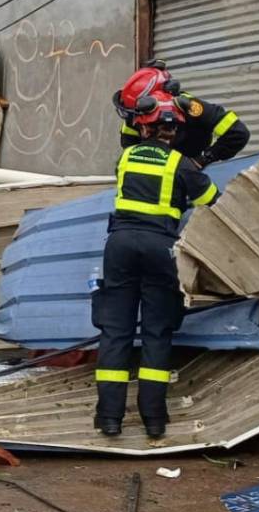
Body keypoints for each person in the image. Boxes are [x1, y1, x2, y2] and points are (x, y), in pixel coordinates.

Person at [95, 86, 220, 440]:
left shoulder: (126, 159)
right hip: (160, 250)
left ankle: (109, 419)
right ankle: (154, 421)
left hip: (118, 247)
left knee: (115, 332)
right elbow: (212, 200)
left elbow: (128, 137)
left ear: (143, 127)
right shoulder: (179, 164)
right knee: (156, 333)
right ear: (174, 131)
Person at [116, 62, 250, 167]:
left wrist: (203, 159)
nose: (136, 121)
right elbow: (129, 148)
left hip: (191, 175)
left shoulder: (191, 108)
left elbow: (237, 133)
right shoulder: (133, 116)